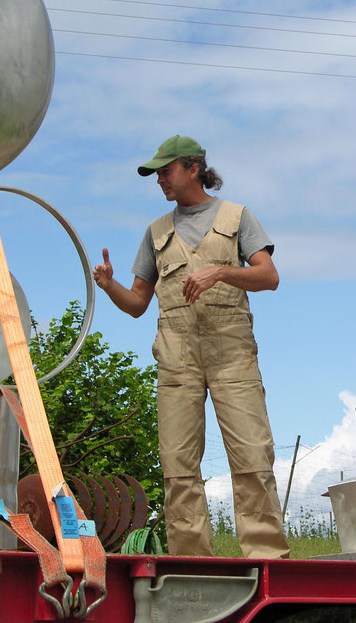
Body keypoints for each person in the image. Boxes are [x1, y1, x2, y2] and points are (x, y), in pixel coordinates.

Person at [93, 135, 290, 559]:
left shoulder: (238, 217)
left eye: (166, 171)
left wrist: (220, 271)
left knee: (253, 459)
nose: (160, 180)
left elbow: (269, 276)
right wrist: (110, 286)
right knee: (178, 469)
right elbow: (136, 306)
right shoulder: (155, 232)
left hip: (233, 357)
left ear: (193, 168)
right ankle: (191, 565)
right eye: (156, 174)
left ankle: (268, 560)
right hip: (177, 361)